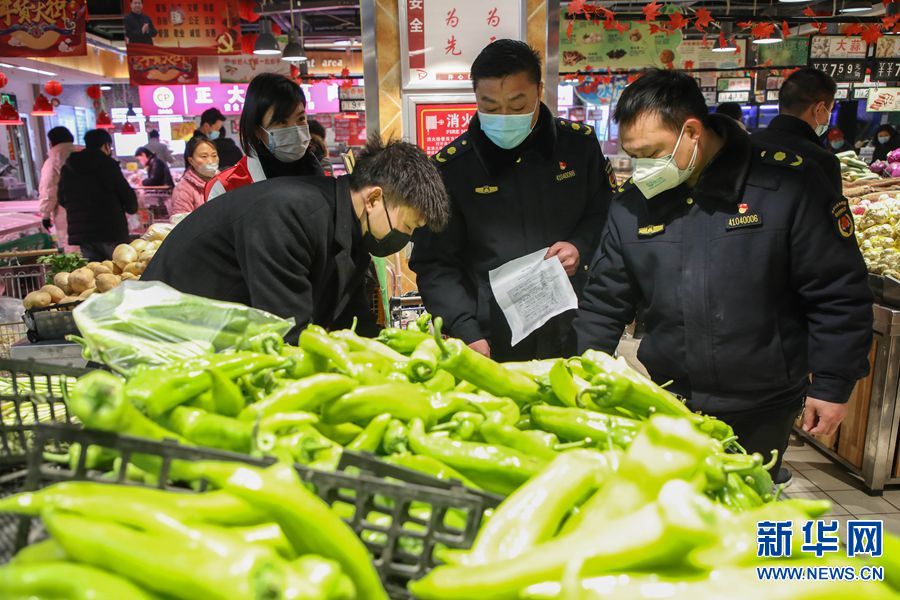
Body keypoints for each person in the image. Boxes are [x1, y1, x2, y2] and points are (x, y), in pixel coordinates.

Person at [573, 69, 873, 487]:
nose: (642, 168)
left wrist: (833, 382)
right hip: (670, 398)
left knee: (748, 507)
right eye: (632, 154)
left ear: (692, 131)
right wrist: (582, 374)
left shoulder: (786, 185)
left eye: (652, 153)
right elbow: (605, 301)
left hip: (764, 402)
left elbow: (836, 289)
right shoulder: (634, 205)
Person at [409, 39, 614, 362]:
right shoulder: (452, 169)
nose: (504, 117)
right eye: (490, 107)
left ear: (538, 91)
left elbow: (603, 214)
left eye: (518, 106)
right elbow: (435, 263)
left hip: (575, 326)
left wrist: (580, 247)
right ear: (475, 97)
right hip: (492, 340)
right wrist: (464, 329)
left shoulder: (579, 148)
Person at [142, 137, 449, 342]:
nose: (406, 237)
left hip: (211, 341)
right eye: (407, 225)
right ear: (374, 199)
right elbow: (287, 331)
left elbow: (353, 324)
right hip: (165, 339)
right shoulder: (288, 213)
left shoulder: (350, 230)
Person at [205, 73, 324, 200]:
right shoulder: (226, 188)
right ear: (257, 130)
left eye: (301, 118)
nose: (297, 132)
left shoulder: (322, 176)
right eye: (281, 122)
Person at [751, 68, 842, 196]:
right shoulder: (823, 162)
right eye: (830, 110)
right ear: (819, 109)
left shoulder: (745, 146)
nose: (829, 116)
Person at [58, 129, 138, 262]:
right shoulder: (108, 165)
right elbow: (127, 195)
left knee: (94, 276)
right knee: (119, 272)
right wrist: (131, 207)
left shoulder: (68, 167)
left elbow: (61, 199)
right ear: (106, 145)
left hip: (84, 235)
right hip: (110, 230)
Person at [38, 126, 78, 251]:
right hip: (89, 213)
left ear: (51, 142)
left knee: (73, 251)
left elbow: (49, 190)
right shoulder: (82, 156)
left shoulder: (52, 162)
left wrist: (45, 214)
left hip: (65, 214)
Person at [169, 136, 218, 215]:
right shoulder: (183, 190)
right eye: (204, 156)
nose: (210, 161)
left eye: (214, 155)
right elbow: (182, 223)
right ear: (191, 160)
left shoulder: (223, 181)